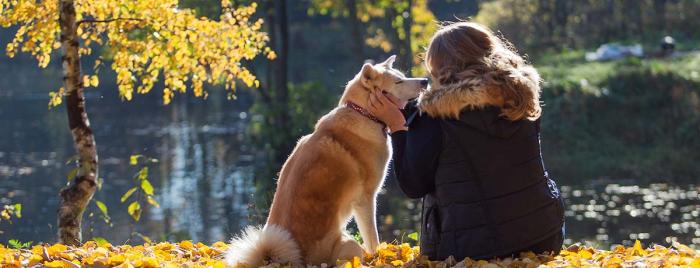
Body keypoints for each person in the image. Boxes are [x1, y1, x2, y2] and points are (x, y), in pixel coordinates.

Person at [368, 21, 565, 261]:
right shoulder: (519, 96)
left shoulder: (434, 117)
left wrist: (398, 127)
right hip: (545, 234)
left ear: (441, 68)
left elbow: (413, 185)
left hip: (471, 249)